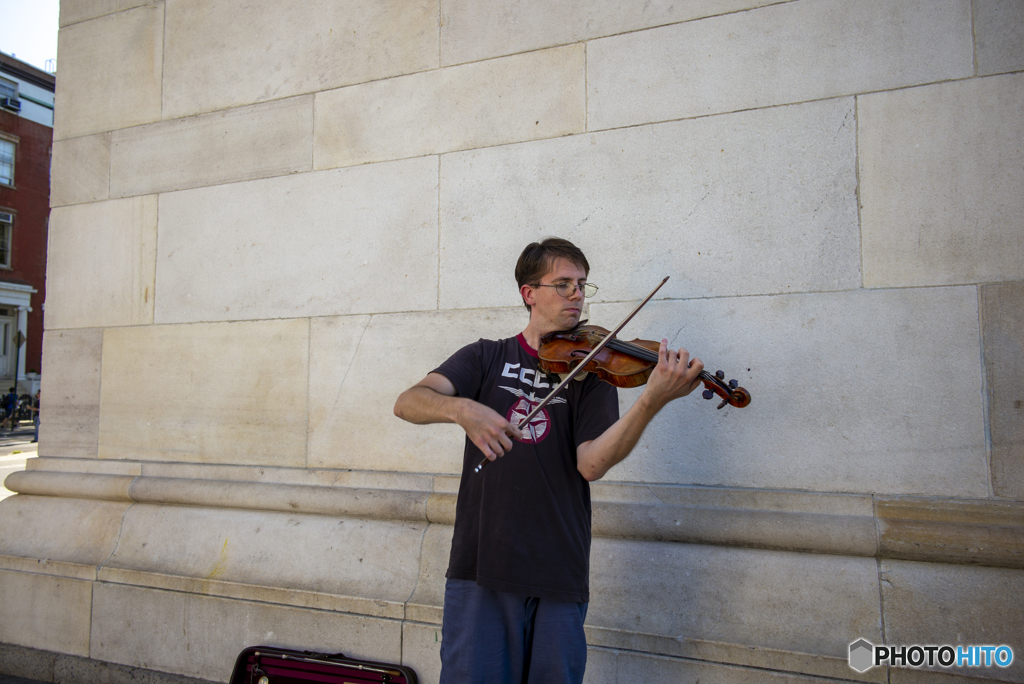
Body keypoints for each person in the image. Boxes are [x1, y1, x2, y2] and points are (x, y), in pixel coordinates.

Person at [393, 238, 705, 684]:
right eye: (563, 285)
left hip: (559, 568)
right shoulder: (486, 356)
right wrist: (461, 409)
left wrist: (651, 401)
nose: (577, 295)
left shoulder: (594, 371)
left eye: (582, 285)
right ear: (529, 293)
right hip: (484, 565)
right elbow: (408, 402)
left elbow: (592, 464)